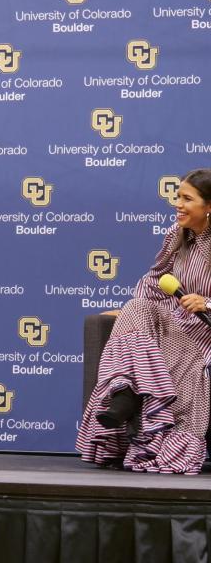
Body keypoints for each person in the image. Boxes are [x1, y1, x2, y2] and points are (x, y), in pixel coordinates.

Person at [77, 168, 211, 475]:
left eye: (187, 198)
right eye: (177, 196)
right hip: (176, 326)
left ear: (209, 207)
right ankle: (124, 395)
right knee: (136, 306)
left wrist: (206, 302)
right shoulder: (176, 236)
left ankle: (129, 398)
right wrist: (125, 312)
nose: (178, 204)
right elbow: (154, 281)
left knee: (139, 313)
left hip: (204, 336)